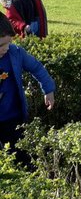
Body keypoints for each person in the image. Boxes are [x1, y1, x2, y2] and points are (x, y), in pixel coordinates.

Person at [0, 15, 55, 169]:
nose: (5, 48)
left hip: (13, 119)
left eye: (8, 43)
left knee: (21, 156)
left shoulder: (15, 52)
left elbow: (37, 68)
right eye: (1, 45)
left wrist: (48, 89)